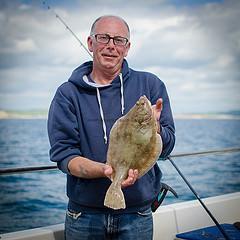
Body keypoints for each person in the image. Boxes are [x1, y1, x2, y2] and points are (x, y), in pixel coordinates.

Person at [48, 15, 175, 240]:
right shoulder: (68, 94)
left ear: (127, 48)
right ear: (90, 43)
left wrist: (155, 129)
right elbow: (64, 156)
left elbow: (166, 148)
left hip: (138, 214)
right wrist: (108, 171)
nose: (111, 46)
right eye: (103, 38)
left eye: (118, 40)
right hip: (84, 214)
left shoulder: (150, 84)